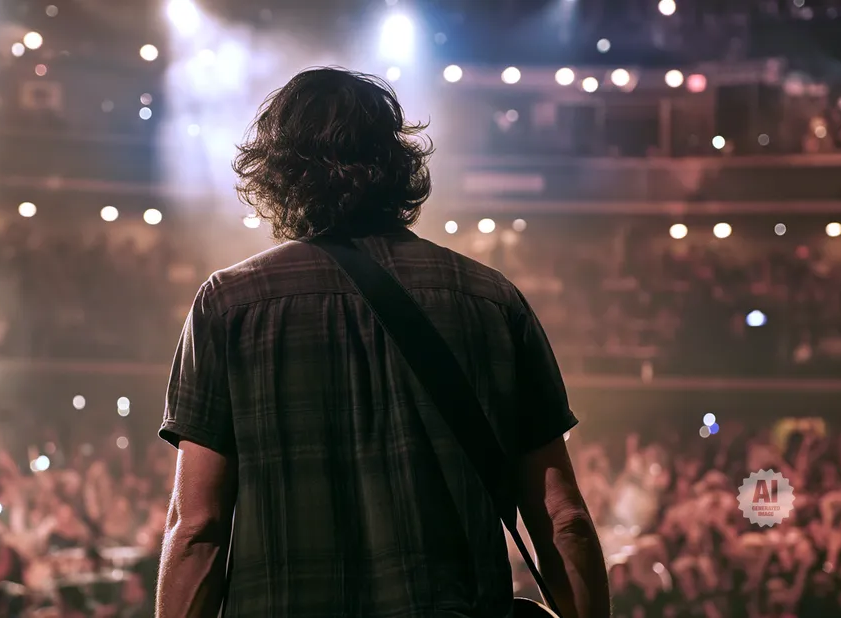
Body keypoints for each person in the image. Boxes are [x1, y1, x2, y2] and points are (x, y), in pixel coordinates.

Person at [155, 67, 609, 618]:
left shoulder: (228, 304)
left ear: (278, 174)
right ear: (397, 166)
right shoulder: (492, 299)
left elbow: (198, 527)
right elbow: (564, 519)